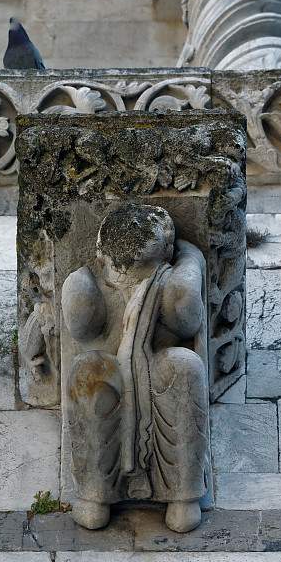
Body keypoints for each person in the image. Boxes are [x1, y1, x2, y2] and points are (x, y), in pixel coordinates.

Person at [61, 204, 210, 533]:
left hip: (153, 371)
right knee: (91, 373)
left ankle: (180, 495)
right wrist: (191, 259)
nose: (128, 279)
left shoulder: (166, 282)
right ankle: (96, 493)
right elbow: (79, 326)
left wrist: (189, 265)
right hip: (113, 372)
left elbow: (187, 318)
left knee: (183, 366)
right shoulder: (89, 283)